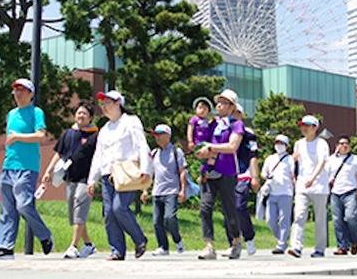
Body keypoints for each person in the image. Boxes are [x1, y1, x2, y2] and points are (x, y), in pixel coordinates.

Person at [0, 78, 54, 260]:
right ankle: (4, 248)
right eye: (16, 90)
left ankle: (45, 236)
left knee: (23, 205)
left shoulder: (36, 112)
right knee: (7, 210)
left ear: (31, 94)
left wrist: (17, 137)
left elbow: (41, 135)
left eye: (22, 90)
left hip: (27, 167)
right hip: (9, 166)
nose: (18, 93)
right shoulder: (11, 114)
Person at [86, 90, 151, 261]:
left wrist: (145, 169)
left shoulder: (131, 121)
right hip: (108, 175)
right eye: (102, 103)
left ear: (118, 104)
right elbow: (98, 155)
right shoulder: (104, 129)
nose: (104, 107)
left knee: (119, 208)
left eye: (107, 103)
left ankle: (139, 239)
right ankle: (117, 250)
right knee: (109, 213)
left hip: (126, 173)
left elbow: (141, 145)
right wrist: (92, 180)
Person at [41, 101, 99, 259]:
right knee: (74, 214)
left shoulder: (95, 136)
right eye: (79, 113)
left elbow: (99, 158)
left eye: (85, 114)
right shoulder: (68, 134)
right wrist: (48, 171)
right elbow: (58, 154)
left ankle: (73, 246)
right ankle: (88, 245)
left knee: (80, 210)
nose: (81, 116)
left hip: (86, 179)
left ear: (91, 117)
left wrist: (95, 179)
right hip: (70, 177)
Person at [195, 89, 245, 260]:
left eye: (224, 102)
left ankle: (236, 242)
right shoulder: (212, 124)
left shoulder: (236, 124)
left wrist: (212, 148)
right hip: (209, 171)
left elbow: (232, 147)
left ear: (232, 107)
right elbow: (201, 142)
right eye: (218, 102)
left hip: (227, 171)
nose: (219, 105)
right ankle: (209, 246)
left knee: (229, 209)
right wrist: (200, 150)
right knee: (205, 207)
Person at [287, 114, 330, 258]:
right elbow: (296, 162)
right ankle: (296, 246)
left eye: (307, 125)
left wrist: (312, 178)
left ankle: (320, 248)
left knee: (320, 218)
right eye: (302, 125)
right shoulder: (298, 143)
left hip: (319, 186)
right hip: (302, 185)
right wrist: (292, 160)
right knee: (299, 215)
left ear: (315, 128)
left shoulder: (321, 143)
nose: (304, 128)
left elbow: (322, 162)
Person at [140, 124, 187, 256]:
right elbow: (150, 173)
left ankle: (177, 240)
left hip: (171, 191)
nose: (157, 137)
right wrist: (145, 190)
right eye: (156, 135)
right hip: (157, 191)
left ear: (168, 135)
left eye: (160, 134)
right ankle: (163, 247)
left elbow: (182, 171)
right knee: (157, 222)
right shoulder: (154, 153)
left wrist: (182, 190)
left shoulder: (176, 152)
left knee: (170, 217)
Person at [222, 103, 260, 256]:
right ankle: (232, 242)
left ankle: (249, 238)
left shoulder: (248, 132)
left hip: (243, 173)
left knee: (239, 206)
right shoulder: (223, 129)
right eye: (232, 111)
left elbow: (253, 155)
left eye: (237, 112)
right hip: (226, 174)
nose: (234, 114)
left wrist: (255, 176)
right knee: (227, 209)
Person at [328, 135, 357, 256]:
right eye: (342, 143)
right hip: (335, 193)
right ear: (337, 146)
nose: (345, 146)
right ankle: (342, 246)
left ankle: (354, 241)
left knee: (350, 217)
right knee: (337, 220)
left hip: (350, 192)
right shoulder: (331, 159)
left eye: (347, 144)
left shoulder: (355, 159)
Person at [260, 134, 295, 254]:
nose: (279, 146)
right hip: (272, 192)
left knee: (284, 219)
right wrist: (267, 177)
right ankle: (282, 238)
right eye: (277, 143)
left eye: (282, 143)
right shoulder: (270, 158)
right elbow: (263, 173)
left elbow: (292, 174)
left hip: (286, 192)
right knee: (270, 219)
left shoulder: (289, 159)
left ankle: (281, 245)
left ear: (286, 145)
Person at [187, 96, 217, 174]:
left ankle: (205, 171)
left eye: (205, 109)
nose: (202, 110)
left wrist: (213, 120)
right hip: (198, 143)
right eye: (200, 108)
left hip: (206, 144)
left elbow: (208, 125)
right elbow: (190, 129)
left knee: (208, 158)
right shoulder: (194, 119)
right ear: (196, 109)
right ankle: (198, 172)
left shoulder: (206, 121)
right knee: (201, 157)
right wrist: (190, 141)